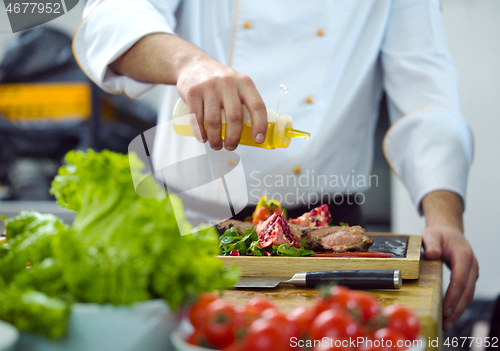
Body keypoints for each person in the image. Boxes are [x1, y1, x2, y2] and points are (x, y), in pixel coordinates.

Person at [73, 0, 478, 332]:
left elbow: (426, 90)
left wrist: (445, 216)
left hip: (327, 235)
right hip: (191, 224)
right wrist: (189, 63)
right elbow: (110, 15)